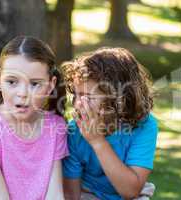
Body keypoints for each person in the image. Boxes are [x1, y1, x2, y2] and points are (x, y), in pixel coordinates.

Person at [0, 36, 69, 200]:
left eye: (35, 84)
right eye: (12, 82)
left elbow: (55, 195)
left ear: (50, 85)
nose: (22, 93)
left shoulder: (56, 126)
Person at [61, 47, 158, 200]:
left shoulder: (145, 126)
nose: (78, 104)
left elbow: (130, 191)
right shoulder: (75, 131)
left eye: (87, 97)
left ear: (119, 99)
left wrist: (97, 141)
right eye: (76, 95)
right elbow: (71, 194)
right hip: (88, 192)